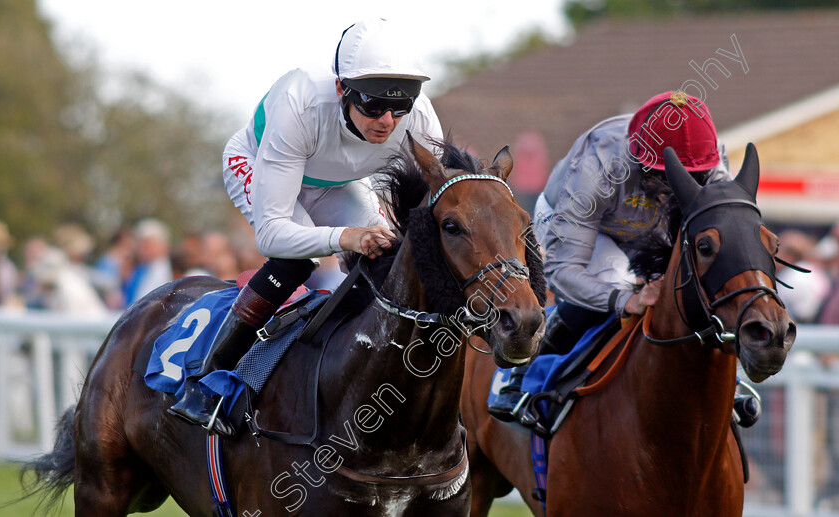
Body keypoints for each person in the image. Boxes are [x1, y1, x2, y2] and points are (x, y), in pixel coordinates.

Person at [169, 18, 443, 429]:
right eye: (372, 105)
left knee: (387, 251)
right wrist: (346, 237)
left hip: (337, 184)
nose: (387, 120)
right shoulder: (300, 100)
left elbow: (438, 205)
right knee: (293, 259)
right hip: (259, 164)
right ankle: (211, 381)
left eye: (400, 106)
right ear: (341, 90)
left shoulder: (419, 118)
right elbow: (272, 234)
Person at [489, 91, 732, 418]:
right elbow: (563, 271)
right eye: (667, 177)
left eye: (690, 179)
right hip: (583, 221)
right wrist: (625, 300)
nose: (678, 188)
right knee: (614, 281)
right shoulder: (597, 165)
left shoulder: (713, 163)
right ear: (641, 162)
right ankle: (518, 370)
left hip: (647, 224)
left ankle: (728, 383)